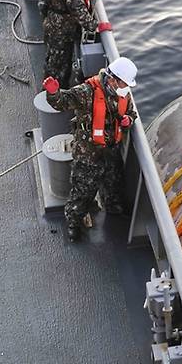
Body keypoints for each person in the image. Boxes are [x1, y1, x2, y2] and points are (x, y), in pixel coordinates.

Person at [43, 57, 138, 242]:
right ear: (113, 79)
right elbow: (63, 101)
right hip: (88, 154)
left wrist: (129, 119)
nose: (126, 88)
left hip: (110, 150)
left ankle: (113, 207)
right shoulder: (87, 91)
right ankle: (74, 222)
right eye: (124, 83)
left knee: (113, 183)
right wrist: (53, 93)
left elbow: (131, 112)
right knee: (82, 191)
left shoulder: (122, 93)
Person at [43, 0, 110, 87]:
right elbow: (79, 11)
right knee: (59, 67)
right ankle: (53, 95)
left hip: (54, 24)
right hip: (61, 31)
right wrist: (96, 26)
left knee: (54, 60)